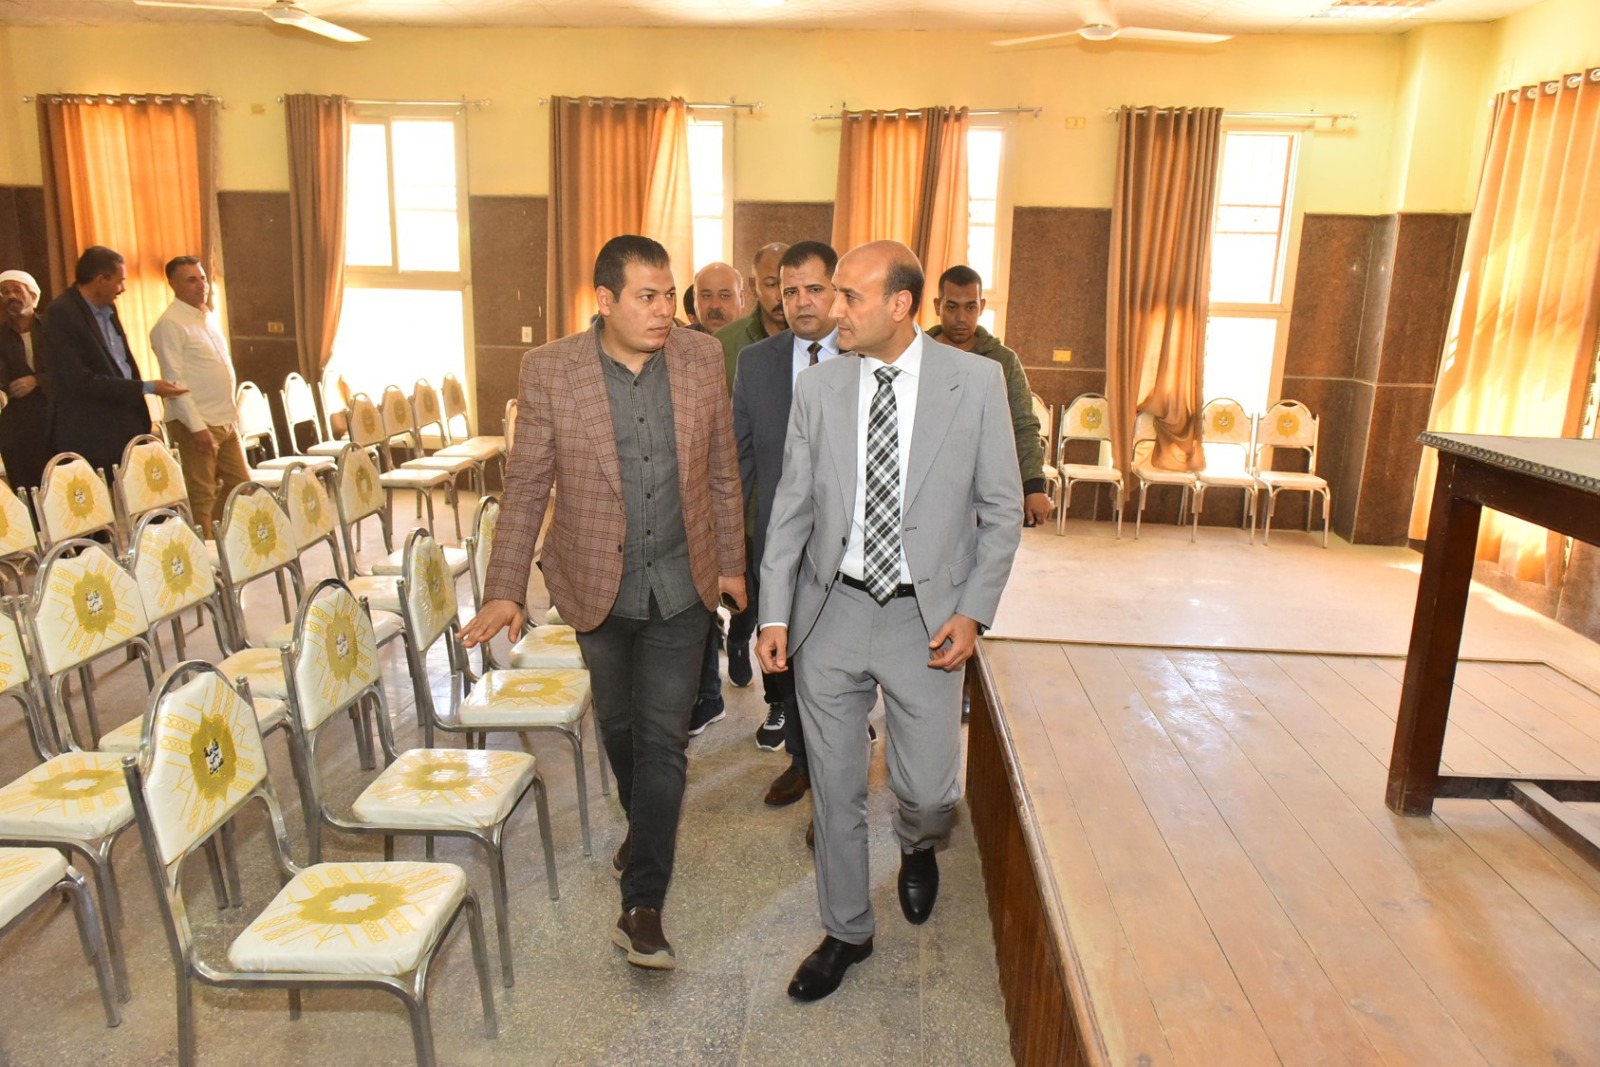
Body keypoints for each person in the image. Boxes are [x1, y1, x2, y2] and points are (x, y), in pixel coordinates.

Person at [460, 235, 746, 972]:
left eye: (669, 295)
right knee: (618, 727)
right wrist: (504, 588)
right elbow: (527, 483)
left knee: (663, 739)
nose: (664, 311)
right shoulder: (551, 369)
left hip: (682, 582)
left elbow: (722, 471)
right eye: (647, 297)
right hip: (595, 583)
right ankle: (644, 825)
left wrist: (732, 565)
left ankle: (642, 903)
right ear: (606, 301)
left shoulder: (701, 358)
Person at [756, 241, 1022, 1002]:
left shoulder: (975, 382)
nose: (830, 309)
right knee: (835, 789)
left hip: (926, 619)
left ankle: (918, 843)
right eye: (830, 293)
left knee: (931, 792)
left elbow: (1002, 510)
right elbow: (791, 508)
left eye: (850, 296)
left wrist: (973, 611)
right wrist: (773, 612)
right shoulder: (820, 387)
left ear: (900, 305)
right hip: (831, 611)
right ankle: (846, 930)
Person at [731, 240, 841, 804]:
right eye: (789, 289)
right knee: (788, 656)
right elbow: (738, 464)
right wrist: (732, 553)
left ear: (839, 290)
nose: (800, 302)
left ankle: (838, 766)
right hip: (782, 544)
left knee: (842, 661)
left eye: (814, 289)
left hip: (851, 545)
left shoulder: (866, 355)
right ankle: (801, 760)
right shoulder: (756, 363)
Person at [41, 246, 187, 473]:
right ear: (101, 280)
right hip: (90, 434)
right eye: (120, 281)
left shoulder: (108, 307)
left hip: (125, 427)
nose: (123, 289)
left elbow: (121, 363)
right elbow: (79, 381)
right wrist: (147, 387)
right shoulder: (61, 313)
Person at [927, 265, 1053, 527]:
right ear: (937, 305)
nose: (961, 317)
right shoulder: (916, 355)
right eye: (952, 307)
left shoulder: (1003, 361)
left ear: (982, 306)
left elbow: (1023, 425)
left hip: (984, 491)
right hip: (924, 488)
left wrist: (1033, 486)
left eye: (970, 307)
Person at [150, 257, 250, 536]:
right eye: (191, 280)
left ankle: (214, 539)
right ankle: (204, 554)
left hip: (224, 419)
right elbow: (174, 382)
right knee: (202, 495)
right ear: (173, 284)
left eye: (203, 278)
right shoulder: (169, 324)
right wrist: (197, 427)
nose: (201, 285)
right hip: (196, 423)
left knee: (241, 486)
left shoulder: (207, 317)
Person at [0, 270, 53, 493]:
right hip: (17, 427)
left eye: (16, 290)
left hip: (55, 420)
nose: (11, 296)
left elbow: (73, 370)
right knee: (27, 489)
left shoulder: (54, 328)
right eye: (5, 292)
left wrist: (37, 380)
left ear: (33, 296)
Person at [715, 243, 786, 390]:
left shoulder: (815, 339)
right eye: (771, 284)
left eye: (788, 284)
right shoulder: (724, 342)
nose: (781, 296)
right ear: (753, 286)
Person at [693, 261, 744, 334]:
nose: (714, 305)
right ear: (695, 298)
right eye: (706, 296)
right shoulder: (678, 340)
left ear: (741, 299)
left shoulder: (757, 339)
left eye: (724, 296)